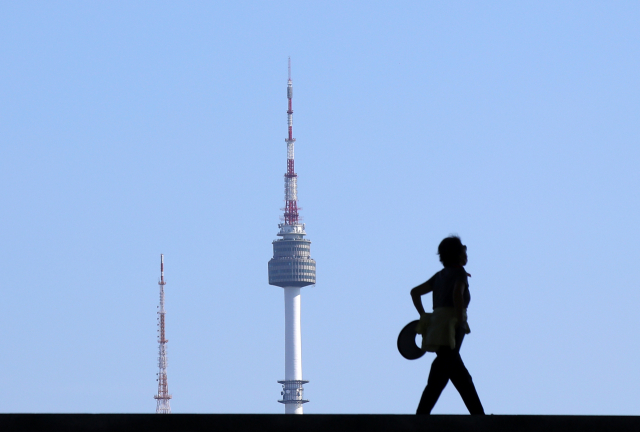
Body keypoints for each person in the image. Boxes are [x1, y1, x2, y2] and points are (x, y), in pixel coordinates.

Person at [410, 235, 485, 415]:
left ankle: (421, 416)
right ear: (458, 254)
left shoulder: (439, 276)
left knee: (446, 371)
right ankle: (479, 417)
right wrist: (461, 320)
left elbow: (415, 292)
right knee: (452, 370)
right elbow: (457, 294)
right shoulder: (459, 273)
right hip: (452, 326)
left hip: (437, 326)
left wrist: (423, 316)